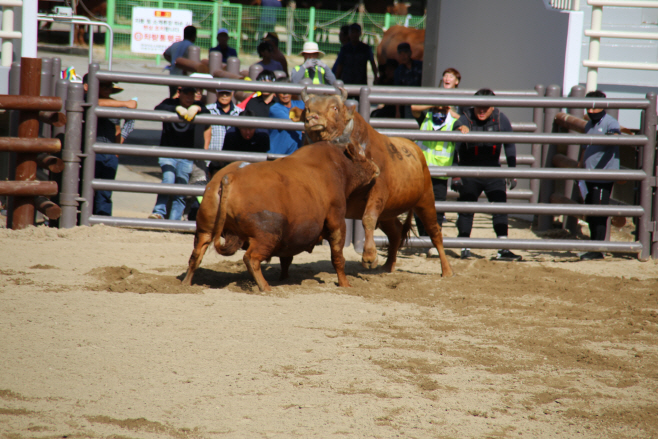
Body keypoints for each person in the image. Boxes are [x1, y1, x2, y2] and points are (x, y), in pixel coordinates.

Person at [451, 88, 522, 261]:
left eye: (486, 107)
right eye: (478, 107)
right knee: (466, 210)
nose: (481, 111)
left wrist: (512, 171)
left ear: (492, 107)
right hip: (469, 171)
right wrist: (456, 174)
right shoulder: (465, 117)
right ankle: (464, 246)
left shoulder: (500, 118)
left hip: (493, 170)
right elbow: (454, 146)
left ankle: (503, 248)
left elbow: (510, 145)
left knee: (500, 208)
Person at [149, 86, 210, 221]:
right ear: (179, 93)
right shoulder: (170, 103)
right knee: (168, 180)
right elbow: (158, 109)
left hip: (186, 156)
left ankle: (174, 220)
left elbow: (207, 114)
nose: (189, 97)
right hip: (168, 153)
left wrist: (197, 108)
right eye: (186, 94)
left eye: (192, 94)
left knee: (181, 189)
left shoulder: (198, 105)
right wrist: (176, 109)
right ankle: (159, 212)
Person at [82, 74, 137, 216]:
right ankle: (85, 216)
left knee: (105, 191)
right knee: (85, 187)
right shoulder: (85, 99)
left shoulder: (115, 105)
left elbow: (121, 127)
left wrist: (117, 148)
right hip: (92, 151)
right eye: (104, 85)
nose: (107, 88)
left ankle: (102, 219)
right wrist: (126, 103)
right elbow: (96, 102)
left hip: (108, 152)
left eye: (109, 86)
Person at [577, 90, 622, 261]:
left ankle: (597, 250)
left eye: (595, 107)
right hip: (589, 175)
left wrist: (615, 136)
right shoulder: (589, 125)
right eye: (589, 107)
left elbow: (617, 134)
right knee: (591, 212)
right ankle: (592, 247)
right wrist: (580, 165)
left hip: (602, 176)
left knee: (599, 213)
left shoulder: (610, 122)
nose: (591, 110)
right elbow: (585, 147)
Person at [414, 105, 458, 249]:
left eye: (442, 110)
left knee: (437, 210)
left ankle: (434, 242)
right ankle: (423, 240)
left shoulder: (452, 122)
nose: (438, 113)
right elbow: (414, 108)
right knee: (418, 207)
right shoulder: (426, 119)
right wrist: (432, 104)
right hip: (421, 172)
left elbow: (464, 121)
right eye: (436, 110)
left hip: (440, 174)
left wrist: (449, 110)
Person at [205, 86, 243, 168]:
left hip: (233, 162)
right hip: (211, 161)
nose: (224, 96)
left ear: (232, 93)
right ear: (217, 93)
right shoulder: (207, 111)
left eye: (227, 93)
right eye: (222, 93)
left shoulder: (240, 113)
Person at [268, 79, 305, 155]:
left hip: (295, 156)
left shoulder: (301, 104)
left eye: (288, 90)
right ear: (275, 94)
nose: (285, 94)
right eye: (282, 91)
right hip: (278, 156)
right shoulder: (275, 109)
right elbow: (291, 123)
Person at [163, 25, 197, 98]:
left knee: (172, 98)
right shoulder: (192, 47)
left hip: (173, 75)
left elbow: (166, 54)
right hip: (184, 78)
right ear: (194, 36)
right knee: (183, 98)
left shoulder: (176, 44)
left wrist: (172, 61)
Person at [393, 42, 422, 118]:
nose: (403, 56)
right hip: (408, 103)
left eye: (405, 52)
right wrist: (397, 111)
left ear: (410, 53)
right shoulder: (398, 71)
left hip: (422, 100)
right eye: (400, 53)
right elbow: (397, 91)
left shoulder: (420, 66)